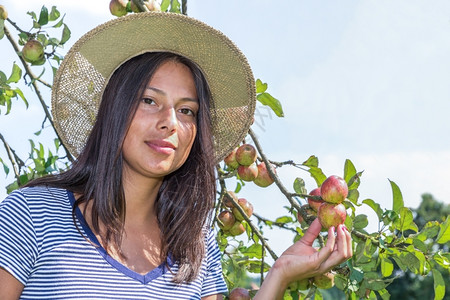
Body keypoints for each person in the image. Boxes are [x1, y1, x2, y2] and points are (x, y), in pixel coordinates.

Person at [0, 12, 352, 299]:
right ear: (114, 109)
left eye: (187, 111)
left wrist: (278, 276)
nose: (170, 122)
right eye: (149, 101)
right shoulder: (31, 215)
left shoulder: (194, 243)